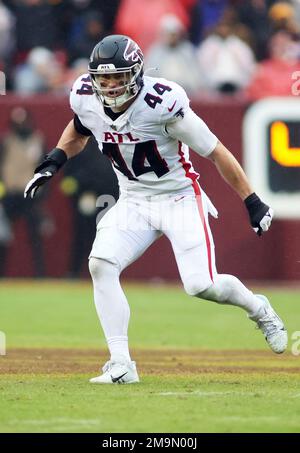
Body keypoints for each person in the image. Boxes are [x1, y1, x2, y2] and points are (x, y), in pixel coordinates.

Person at [24, 34, 287, 384]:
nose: (111, 86)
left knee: (201, 285)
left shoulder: (162, 104)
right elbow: (80, 129)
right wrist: (53, 161)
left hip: (178, 198)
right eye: (104, 79)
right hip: (133, 199)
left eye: (118, 77)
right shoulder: (86, 97)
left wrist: (251, 200)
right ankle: (121, 364)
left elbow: (215, 151)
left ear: (135, 74)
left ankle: (259, 309)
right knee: (101, 264)